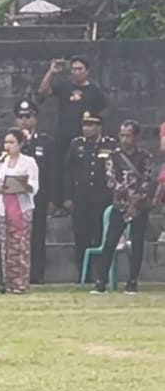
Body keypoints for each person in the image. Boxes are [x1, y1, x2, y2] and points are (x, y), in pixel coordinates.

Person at [90, 119, 154, 294]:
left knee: (138, 243)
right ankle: (101, 281)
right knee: (110, 242)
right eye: (122, 135)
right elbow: (111, 180)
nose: (125, 139)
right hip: (120, 205)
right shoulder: (114, 157)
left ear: (136, 137)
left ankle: (132, 281)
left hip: (140, 206)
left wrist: (137, 199)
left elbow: (147, 180)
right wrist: (127, 195)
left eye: (128, 135)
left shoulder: (145, 157)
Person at [38, 56, 106, 215]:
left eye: (79, 69)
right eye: (73, 69)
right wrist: (51, 72)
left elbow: (102, 112)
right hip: (64, 135)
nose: (76, 72)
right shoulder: (64, 86)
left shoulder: (94, 91)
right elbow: (44, 91)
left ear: (87, 71)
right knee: (61, 168)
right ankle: (60, 202)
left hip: (85, 137)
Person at [63, 111, 119, 285]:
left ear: (99, 126)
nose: (87, 129)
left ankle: (100, 275)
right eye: (84, 125)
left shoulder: (109, 145)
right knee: (81, 239)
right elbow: (67, 172)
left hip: (102, 199)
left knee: (101, 238)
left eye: (91, 125)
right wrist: (66, 197)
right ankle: (83, 276)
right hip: (81, 199)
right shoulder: (76, 145)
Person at [0, 129, 39, 294]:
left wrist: (23, 185)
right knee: (6, 246)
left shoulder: (28, 162)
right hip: (4, 207)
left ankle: (20, 282)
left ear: (20, 144)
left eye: (11, 142)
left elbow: (34, 185)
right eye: (6, 142)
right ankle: (7, 282)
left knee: (20, 246)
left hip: (21, 207)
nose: (8, 146)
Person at [14, 100, 55, 283]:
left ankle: (37, 276)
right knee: (17, 238)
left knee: (37, 237)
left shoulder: (44, 141)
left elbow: (53, 171)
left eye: (28, 116)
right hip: (16, 197)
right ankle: (17, 274)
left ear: (35, 118)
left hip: (39, 196)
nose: (24, 121)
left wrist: (53, 198)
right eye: (21, 117)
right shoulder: (12, 142)